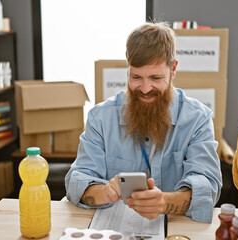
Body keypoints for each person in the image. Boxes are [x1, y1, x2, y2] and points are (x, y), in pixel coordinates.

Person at [65, 22, 222, 223]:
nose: (145, 88)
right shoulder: (100, 117)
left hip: (174, 229)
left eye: (156, 77)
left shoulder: (197, 120)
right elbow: (77, 179)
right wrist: (104, 192)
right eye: (136, 77)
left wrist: (164, 202)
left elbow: (208, 186)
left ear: (173, 69)